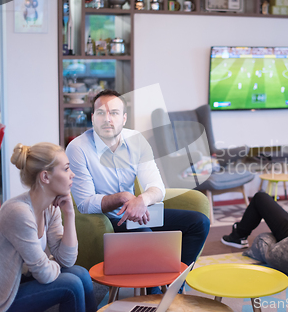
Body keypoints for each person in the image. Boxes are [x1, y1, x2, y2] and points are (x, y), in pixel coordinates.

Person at [66, 90, 210, 267]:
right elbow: (85, 203)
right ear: (93, 117)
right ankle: (154, 293)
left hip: (140, 213)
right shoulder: (78, 148)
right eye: (101, 113)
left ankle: (174, 284)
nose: (107, 119)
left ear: (124, 118)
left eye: (114, 113)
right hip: (109, 220)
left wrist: (143, 199)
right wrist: (123, 197)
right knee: (145, 234)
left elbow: (157, 186)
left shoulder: (137, 140)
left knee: (199, 223)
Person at [0, 142, 97, 312]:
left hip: (14, 283)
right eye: (66, 169)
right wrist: (48, 263)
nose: (72, 174)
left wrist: (70, 214)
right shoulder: (18, 212)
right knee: (71, 284)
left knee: (81, 274)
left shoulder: (50, 209)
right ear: (45, 177)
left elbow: (67, 261)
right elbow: (44, 274)